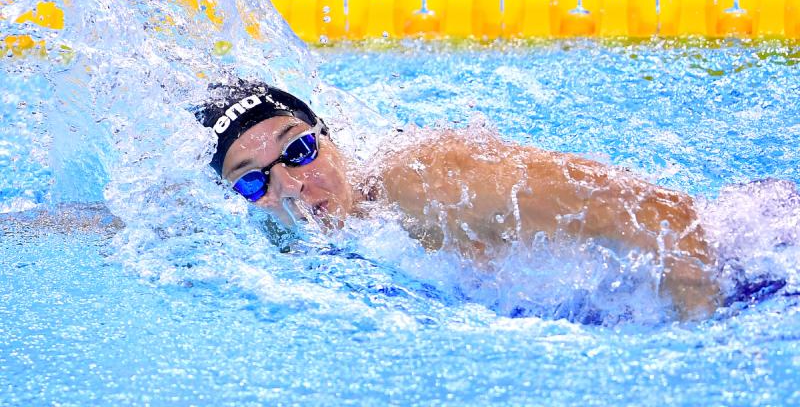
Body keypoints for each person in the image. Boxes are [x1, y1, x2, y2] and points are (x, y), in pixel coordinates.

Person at [196, 80, 721, 320]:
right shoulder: (276, 239)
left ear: (330, 137)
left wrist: (701, 344)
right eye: (252, 181)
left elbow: (661, 212)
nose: (290, 186)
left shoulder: (426, 183)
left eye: (299, 148)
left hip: (743, 280)